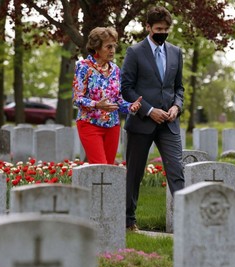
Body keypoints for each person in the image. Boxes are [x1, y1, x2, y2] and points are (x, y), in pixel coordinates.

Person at [121, 6, 184, 231]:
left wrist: (177, 106)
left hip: (169, 123)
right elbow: (126, 88)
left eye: (166, 29)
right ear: (148, 27)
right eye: (158, 28)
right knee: (135, 174)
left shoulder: (176, 52)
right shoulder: (134, 52)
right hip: (141, 123)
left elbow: (179, 88)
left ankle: (187, 223)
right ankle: (129, 221)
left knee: (177, 171)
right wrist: (149, 110)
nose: (163, 32)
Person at [72, 27, 142, 164]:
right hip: (90, 124)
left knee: (109, 169)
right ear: (96, 47)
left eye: (114, 46)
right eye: (108, 46)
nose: (113, 50)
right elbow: (77, 99)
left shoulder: (115, 69)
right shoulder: (83, 66)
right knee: (100, 166)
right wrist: (96, 104)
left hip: (112, 126)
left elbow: (117, 100)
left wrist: (130, 107)